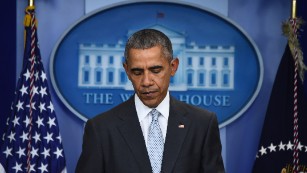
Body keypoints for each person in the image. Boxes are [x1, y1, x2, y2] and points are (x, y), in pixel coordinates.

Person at [76, 29, 225, 173]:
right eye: (137, 72)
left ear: (173, 67)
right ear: (127, 71)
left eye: (155, 70)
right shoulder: (100, 129)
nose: (146, 81)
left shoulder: (202, 124)